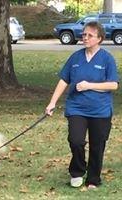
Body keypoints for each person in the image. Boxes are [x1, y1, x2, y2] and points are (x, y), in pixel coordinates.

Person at [45, 21, 119, 189]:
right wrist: (52, 102)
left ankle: (93, 179)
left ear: (99, 38)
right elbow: (64, 80)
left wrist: (89, 85)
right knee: (76, 140)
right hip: (76, 108)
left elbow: (113, 85)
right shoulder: (76, 57)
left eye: (89, 35)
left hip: (100, 111)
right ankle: (77, 171)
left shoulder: (107, 59)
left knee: (97, 145)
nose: (85, 37)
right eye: (84, 34)